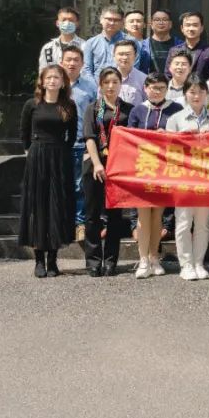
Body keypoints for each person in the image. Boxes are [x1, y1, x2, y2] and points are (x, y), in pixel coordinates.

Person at [19, 65, 78, 278]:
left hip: (59, 158)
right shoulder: (32, 104)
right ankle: (38, 260)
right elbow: (24, 132)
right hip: (37, 157)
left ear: (63, 82)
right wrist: (31, 152)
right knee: (38, 206)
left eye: (57, 77)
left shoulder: (68, 105)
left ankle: (52, 259)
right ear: (42, 81)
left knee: (56, 205)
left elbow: (72, 135)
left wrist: (61, 151)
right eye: (49, 77)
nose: (52, 80)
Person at [127, 73, 183, 279]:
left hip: (165, 168)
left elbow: (183, 137)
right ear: (145, 88)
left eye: (161, 87)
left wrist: (168, 135)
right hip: (143, 168)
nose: (157, 91)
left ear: (167, 89)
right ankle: (142, 259)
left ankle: (154, 257)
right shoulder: (138, 110)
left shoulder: (176, 109)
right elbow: (130, 138)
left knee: (158, 214)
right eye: (152, 87)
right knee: (143, 215)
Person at [82, 67, 132, 277]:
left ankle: (111, 260)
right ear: (100, 85)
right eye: (106, 82)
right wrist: (97, 164)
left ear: (121, 84)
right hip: (95, 165)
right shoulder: (93, 108)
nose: (111, 86)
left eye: (115, 82)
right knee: (92, 215)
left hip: (118, 167)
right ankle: (93, 260)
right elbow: (90, 137)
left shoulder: (128, 110)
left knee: (115, 216)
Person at [165, 78, 209, 281]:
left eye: (201, 91)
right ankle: (185, 264)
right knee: (184, 222)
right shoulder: (175, 119)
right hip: (183, 177)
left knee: (203, 223)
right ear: (185, 94)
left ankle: (199, 263)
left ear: (206, 94)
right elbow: (166, 149)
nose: (197, 96)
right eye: (192, 92)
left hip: (207, 178)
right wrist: (181, 137)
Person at [58, 45, 95, 242]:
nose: (72, 63)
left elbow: (98, 112)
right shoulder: (54, 85)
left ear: (82, 64)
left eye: (76, 60)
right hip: (58, 145)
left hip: (82, 143)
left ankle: (80, 224)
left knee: (80, 186)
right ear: (61, 62)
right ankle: (62, 223)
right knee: (60, 185)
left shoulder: (91, 86)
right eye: (68, 60)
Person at [167, 11, 209, 82]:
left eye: (195, 25)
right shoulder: (174, 51)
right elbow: (168, 74)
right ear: (182, 28)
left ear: (201, 28)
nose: (191, 29)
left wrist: (200, 87)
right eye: (188, 25)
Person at [83, 4, 125, 79]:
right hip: (96, 84)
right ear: (101, 19)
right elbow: (86, 70)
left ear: (122, 22)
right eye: (109, 19)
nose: (112, 23)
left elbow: (134, 68)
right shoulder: (91, 43)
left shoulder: (131, 42)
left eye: (116, 20)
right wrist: (94, 85)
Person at [39, 6, 84, 71]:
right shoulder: (48, 48)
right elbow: (43, 71)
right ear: (57, 23)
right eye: (64, 20)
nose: (67, 23)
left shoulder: (84, 46)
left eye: (71, 20)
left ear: (77, 23)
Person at [112, 39, 146, 106]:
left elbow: (148, 106)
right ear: (114, 56)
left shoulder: (144, 79)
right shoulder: (106, 78)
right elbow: (101, 103)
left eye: (128, 54)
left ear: (135, 56)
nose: (124, 57)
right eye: (121, 54)